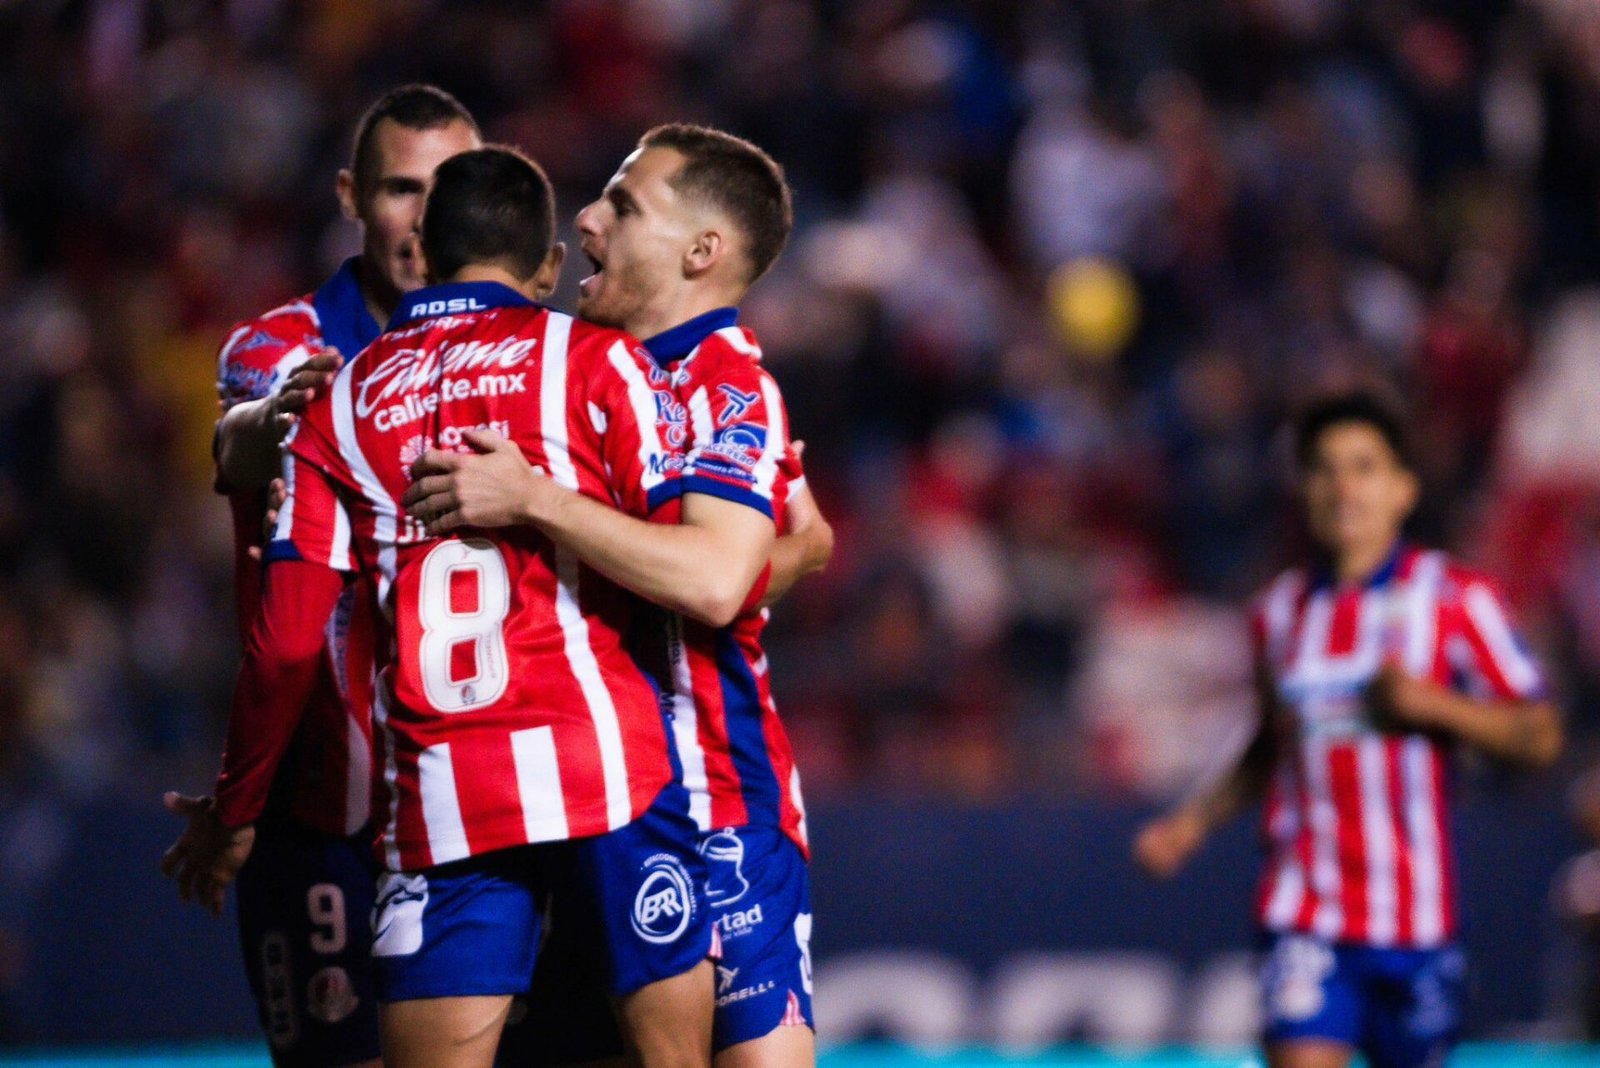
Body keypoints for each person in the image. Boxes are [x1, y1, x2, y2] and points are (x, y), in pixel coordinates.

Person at [161, 145, 756, 1068]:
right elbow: (691, 570)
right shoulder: (601, 364)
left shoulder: (340, 403)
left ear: (427, 257)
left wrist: (236, 809)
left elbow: (284, 647)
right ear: (548, 268)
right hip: (612, 777)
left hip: (444, 799)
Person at [403, 124, 830, 1068]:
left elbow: (717, 580)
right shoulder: (560, 365)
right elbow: (797, 543)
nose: (587, 220)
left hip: (714, 801)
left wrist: (536, 501)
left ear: (701, 251)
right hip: (565, 797)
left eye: (624, 206)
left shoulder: (726, 386)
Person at [162, 83, 481, 1068]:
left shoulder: (518, 358)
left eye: (449, 190)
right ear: (351, 196)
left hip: (477, 806)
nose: (424, 219)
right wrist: (281, 419)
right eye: (400, 189)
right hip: (317, 815)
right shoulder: (282, 347)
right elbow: (238, 444)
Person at [1133, 390, 1563, 1068]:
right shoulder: (1278, 614)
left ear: (1402, 489)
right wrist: (1192, 822)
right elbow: (1270, 747)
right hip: (1305, 912)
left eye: (1363, 468)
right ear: (1304, 490)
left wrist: (1437, 707)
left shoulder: (1456, 600)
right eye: (1324, 470)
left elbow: (1540, 735)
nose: (1343, 488)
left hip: (1415, 922)